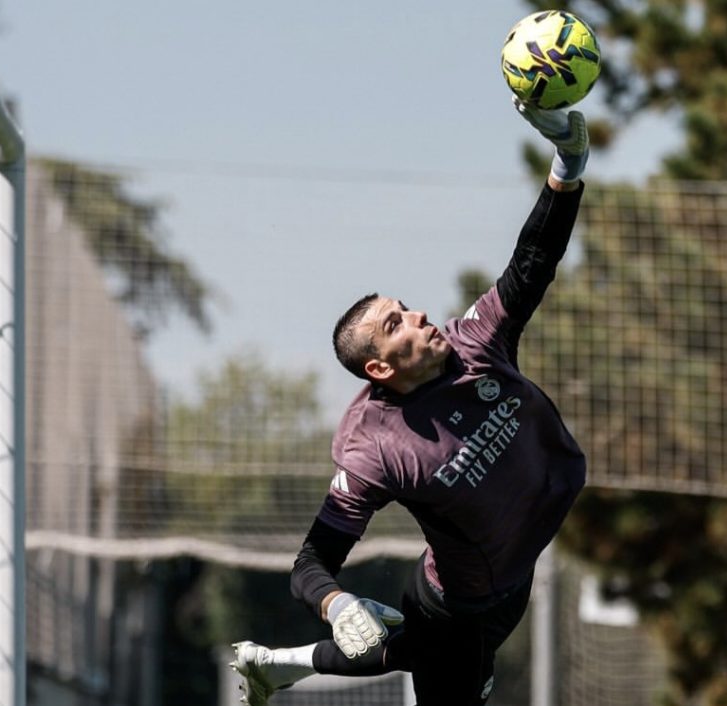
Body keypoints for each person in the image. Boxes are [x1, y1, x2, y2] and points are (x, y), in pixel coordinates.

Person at [231, 97, 590, 706]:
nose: (419, 315)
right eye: (397, 323)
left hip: (514, 570)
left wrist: (569, 163)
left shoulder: (475, 340)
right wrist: (336, 602)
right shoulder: (374, 444)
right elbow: (311, 563)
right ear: (379, 367)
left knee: (419, 650)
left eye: (406, 307)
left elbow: (533, 261)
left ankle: (278, 664)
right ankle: (283, 664)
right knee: (439, 656)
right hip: (461, 601)